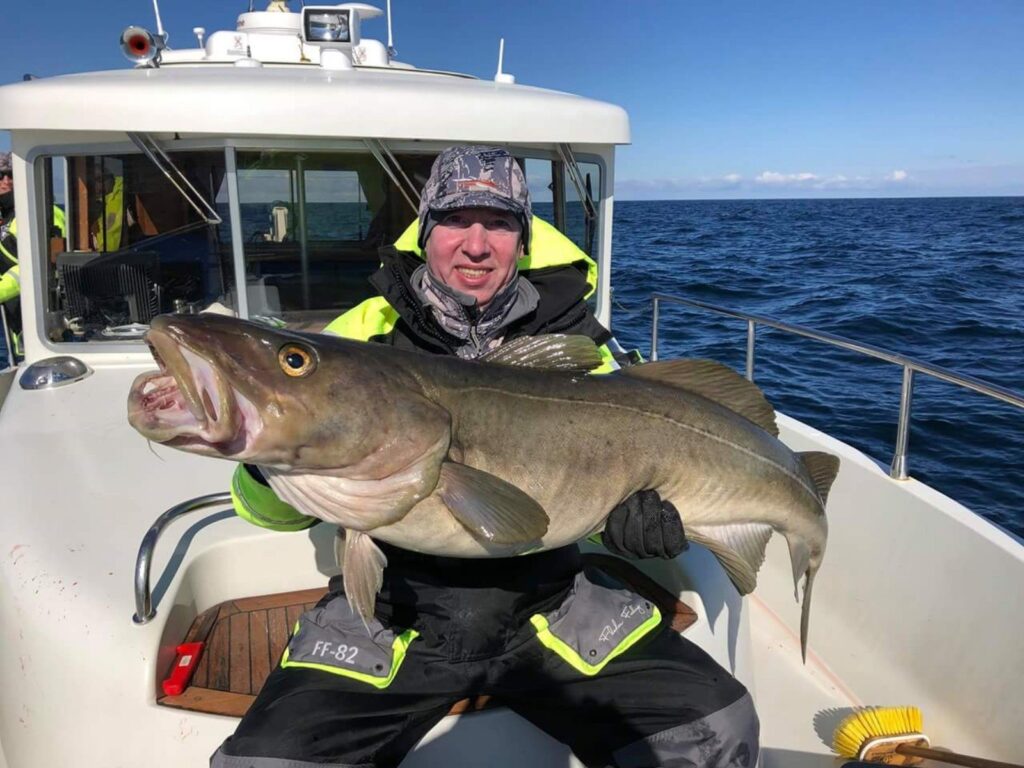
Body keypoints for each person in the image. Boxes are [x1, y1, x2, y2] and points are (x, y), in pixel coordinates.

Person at [212, 146, 759, 768]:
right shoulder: (357, 339)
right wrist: (266, 461)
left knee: (718, 725)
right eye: (454, 220)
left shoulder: (581, 348)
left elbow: (584, 497)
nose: (475, 245)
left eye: (498, 223)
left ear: (522, 242)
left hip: (553, 606)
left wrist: (628, 525)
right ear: (425, 232)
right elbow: (269, 514)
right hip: (392, 614)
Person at [0, 152, 67, 361]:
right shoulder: (8, 215)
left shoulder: (42, 211)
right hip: (15, 319)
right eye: (0, 176)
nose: (6, 181)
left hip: (42, 324)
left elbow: (40, 265)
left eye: (11, 175)